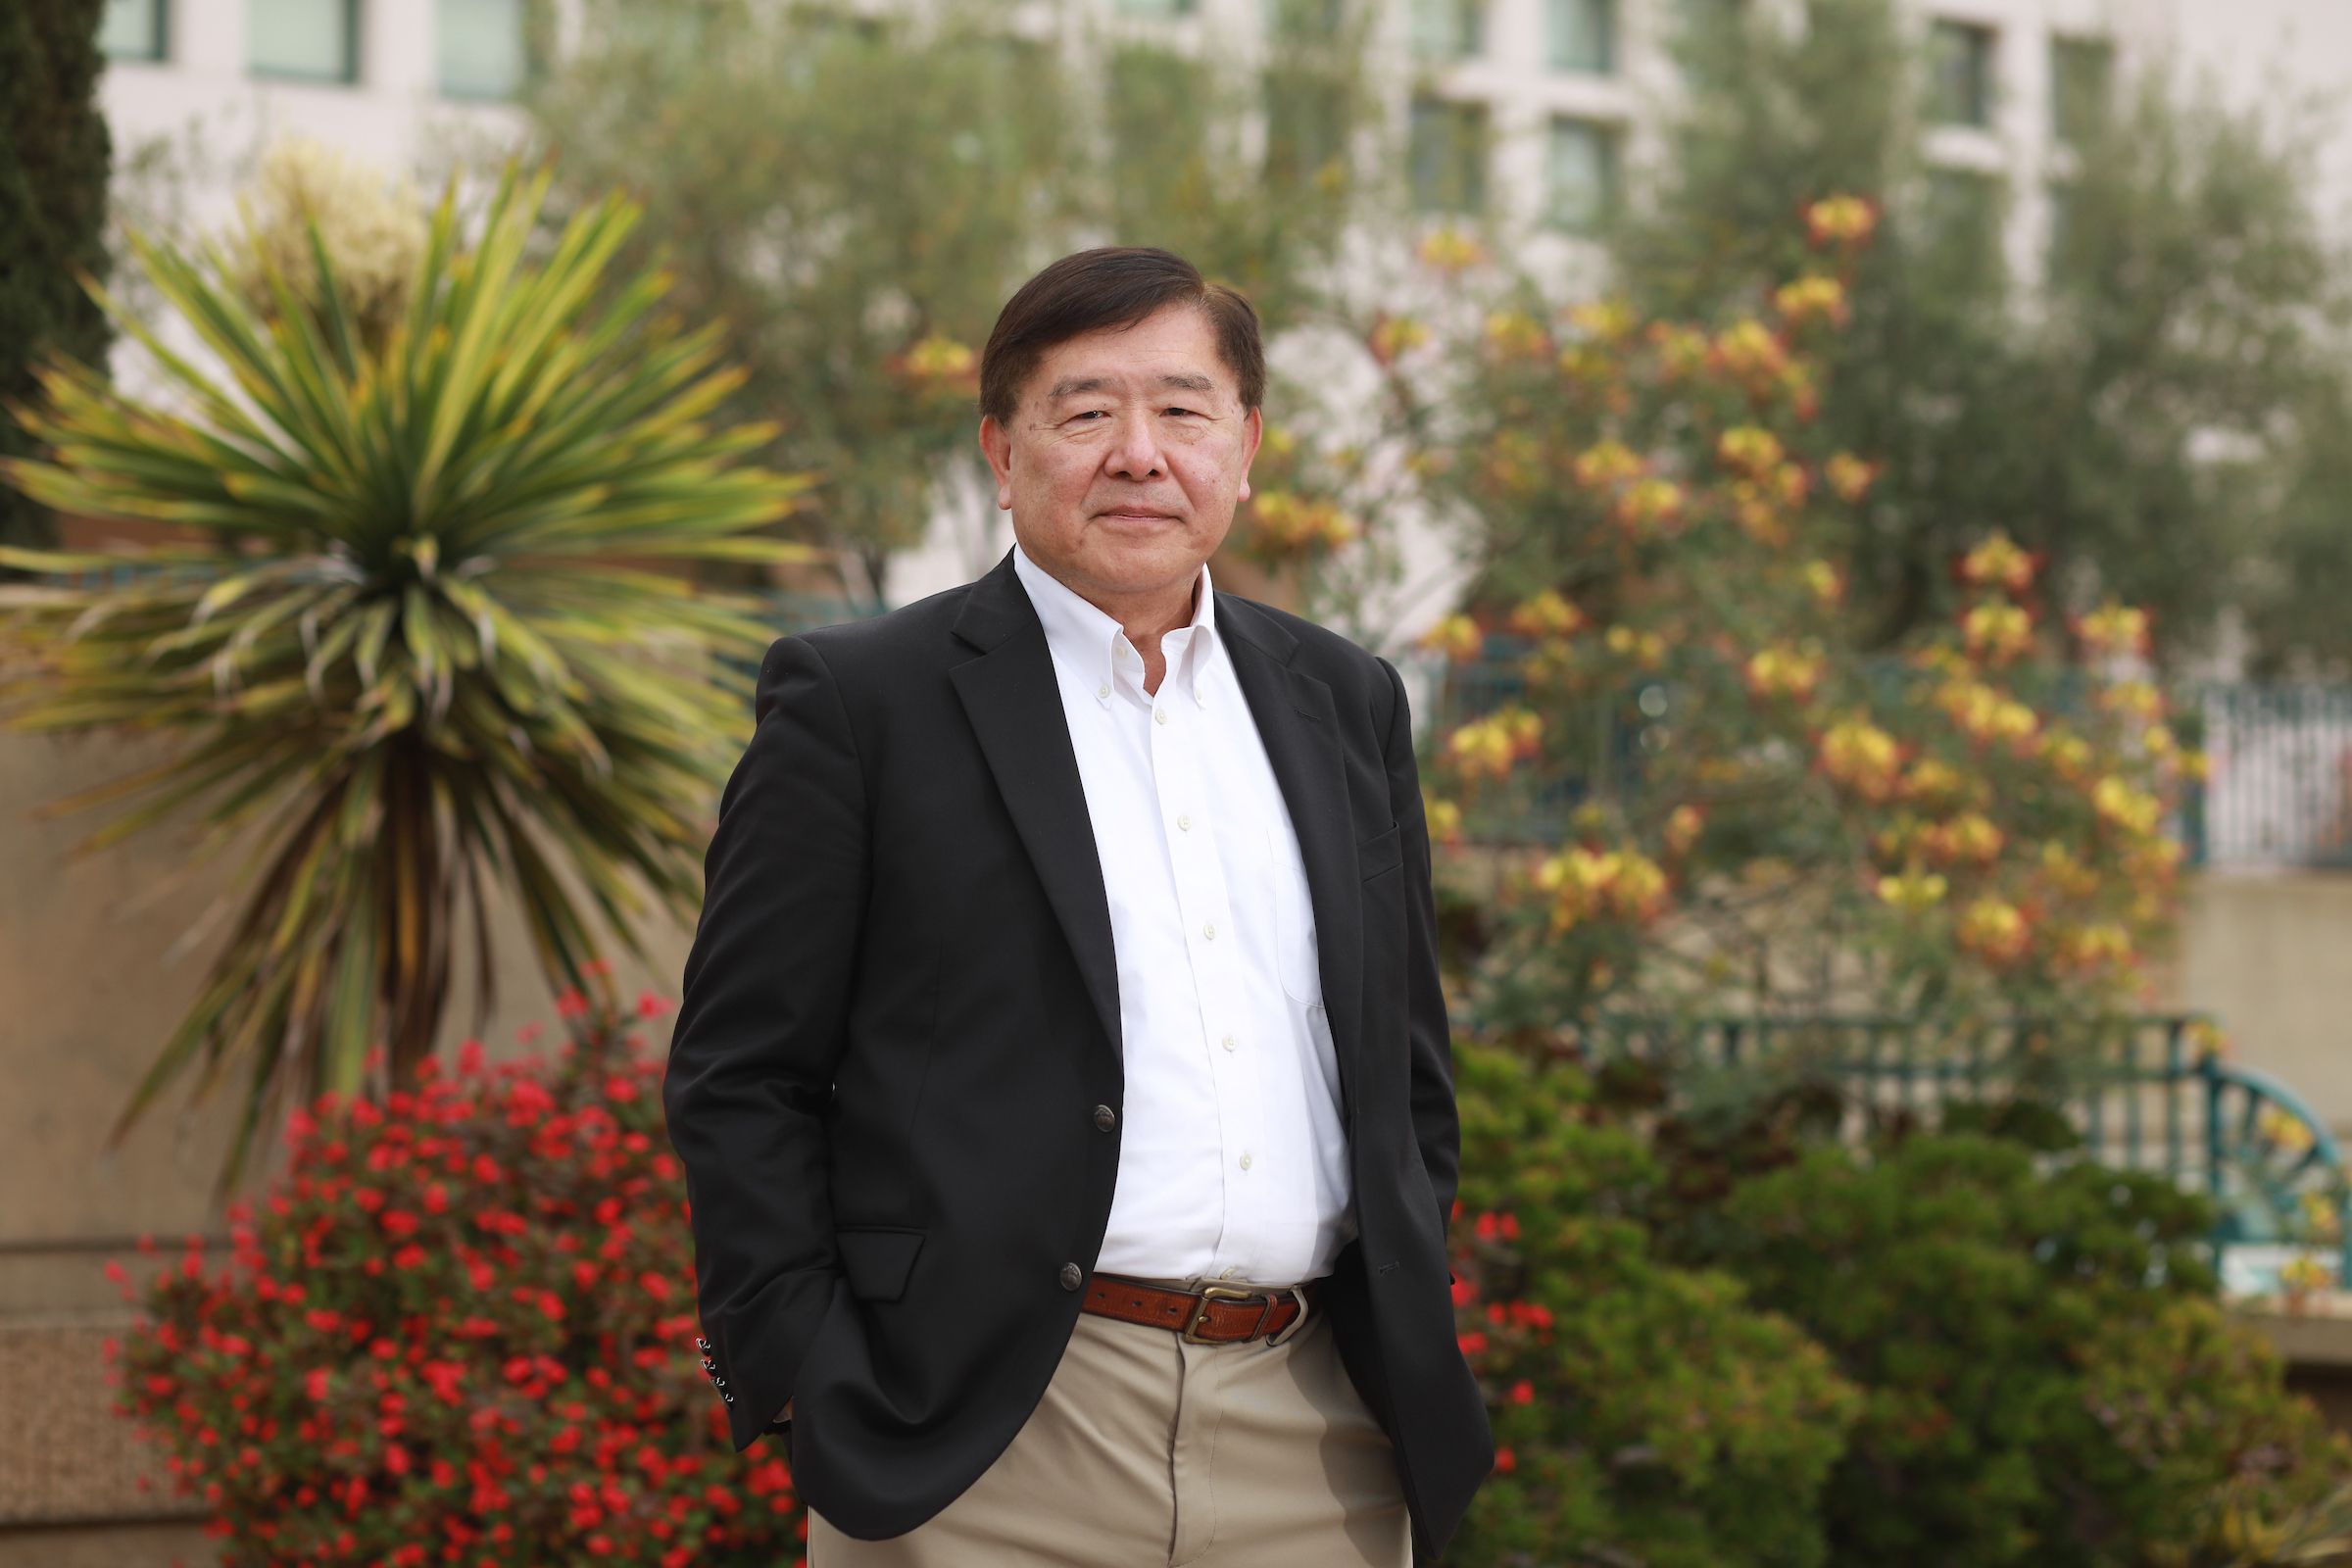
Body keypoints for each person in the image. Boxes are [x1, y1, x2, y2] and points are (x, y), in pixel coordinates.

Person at [662, 246, 1494, 1566]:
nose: (1139, 453)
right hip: (984, 1445)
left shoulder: (1345, 702)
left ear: (1247, 441)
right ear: (1002, 451)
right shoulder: (862, 702)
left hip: (1318, 1437)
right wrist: (802, 1371)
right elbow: (741, 1072)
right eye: (1086, 411)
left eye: (1182, 408)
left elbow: (1403, 1068)